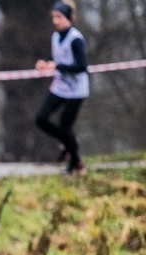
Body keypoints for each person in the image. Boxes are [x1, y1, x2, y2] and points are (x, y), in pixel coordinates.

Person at [34, 1, 89, 175]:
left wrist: (57, 67)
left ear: (68, 18)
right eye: (53, 17)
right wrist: (45, 62)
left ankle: (76, 163)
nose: (55, 21)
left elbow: (81, 66)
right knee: (41, 119)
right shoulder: (55, 37)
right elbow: (57, 56)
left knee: (66, 126)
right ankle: (68, 141)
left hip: (76, 90)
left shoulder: (76, 39)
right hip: (59, 87)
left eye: (59, 17)